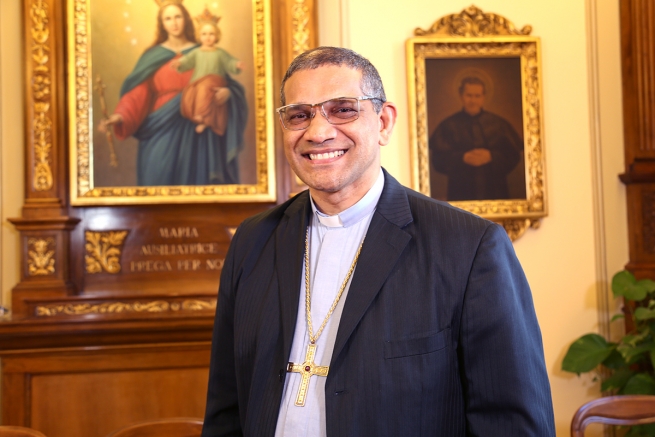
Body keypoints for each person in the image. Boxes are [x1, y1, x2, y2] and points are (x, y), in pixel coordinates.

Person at [202, 47, 555, 436]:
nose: (318, 132)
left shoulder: (469, 246)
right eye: (300, 115)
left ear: (383, 122)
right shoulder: (253, 239)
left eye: (343, 109)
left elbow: (512, 423)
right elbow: (226, 408)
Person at [98, 0, 247, 186]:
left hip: (196, 129)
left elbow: (225, 81)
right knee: (158, 180)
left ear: (185, 18)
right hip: (161, 128)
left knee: (197, 185)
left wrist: (227, 92)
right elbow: (139, 92)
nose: (174, 22)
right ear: (161, 23)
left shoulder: (205, 51)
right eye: (168, 18)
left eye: (177, 17)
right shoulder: (153, 55)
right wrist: (120, 116)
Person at [429, 76, 523, 201]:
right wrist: (462, 158)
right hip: (461, 193)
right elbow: (438, 161)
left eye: (477, 96)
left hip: (495, 192)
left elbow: (513, 155)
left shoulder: (499, 124)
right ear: (461, 96)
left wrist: (492, 157)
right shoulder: (448, 125)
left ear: (483, 97)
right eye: (469, 95)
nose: (473, 100)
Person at [171, 8, 245, 135]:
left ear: (217, 36)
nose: (208, 37)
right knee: (190, 95)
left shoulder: (220, 53)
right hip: (198, 81)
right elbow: (187, 61)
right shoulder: (197, 52)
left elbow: (229, 62)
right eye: (204, 34)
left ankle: (202, 117)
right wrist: (179, 63)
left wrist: (236, 65)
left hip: (215, 82)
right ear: (199, 36)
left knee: (204, 90)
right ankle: (203, 119)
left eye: (211, 34)